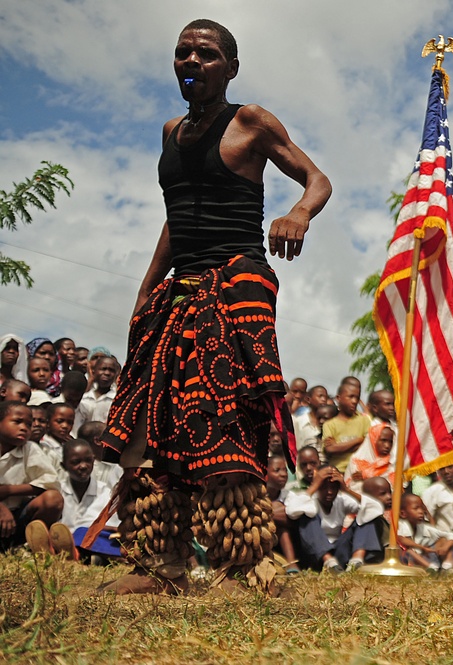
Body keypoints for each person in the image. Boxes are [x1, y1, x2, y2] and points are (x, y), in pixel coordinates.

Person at [94, 18, 331, 595]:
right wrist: (148, 287)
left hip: (237, 283)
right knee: (151, 418)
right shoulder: (172, 132)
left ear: (230, 66)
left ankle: (247, 564)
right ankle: (160, 564)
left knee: (221, 413)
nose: (191, 61)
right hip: (181, 287)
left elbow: (316, 179)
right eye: (182, 53)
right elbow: (177, 220)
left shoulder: (250, 121)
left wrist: (298, 214)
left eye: (205, 53)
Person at [0, 401, 62, 553]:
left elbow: (51, 482)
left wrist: (9, 491)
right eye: (17, 422)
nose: (24, 428)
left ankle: (26, 545)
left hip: (15, 517)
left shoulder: (29, 448)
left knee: (53, 498)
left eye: (28, 425)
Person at [57, 439, 120, 561]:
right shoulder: (58, 492)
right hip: (65, 538)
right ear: (63, 466)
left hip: (94, 537)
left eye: (88, 460)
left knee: (85, 534)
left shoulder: (105, 492)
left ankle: (81, 553)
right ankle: (89, 555)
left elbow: (114, 528)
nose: (83, 466)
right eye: (76, 462)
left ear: (93, 461)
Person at [397, 493, 453, 572]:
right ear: (403, 514)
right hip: (408, 559)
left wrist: (445, 547)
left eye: (422, 509)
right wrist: (422, 548)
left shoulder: (423, 527)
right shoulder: (401, 524)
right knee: (409, 551)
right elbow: (402, 539)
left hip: (425, 557)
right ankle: (431, 569)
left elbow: (451, 535)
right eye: (416, 508)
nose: (421, 512)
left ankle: (447, 566)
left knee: (444, 540)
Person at [321, 380, 371, 472]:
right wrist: (358, 440)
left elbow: (367, 446)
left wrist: (338, 446)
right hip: (337, 471)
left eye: (357, 398)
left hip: (359, 472)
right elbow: (330, 449)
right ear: (338, 398)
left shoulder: (364, 420)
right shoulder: (330, 424)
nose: (354, 401)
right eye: (351, 397)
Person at [345, 421, 395, 491]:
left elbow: (392, 491)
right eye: (383, 440)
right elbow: (350, 487)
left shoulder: (391, 465)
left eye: (390, 442)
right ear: (373, 439)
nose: (387, 446)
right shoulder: (356, 461)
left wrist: (368, 476)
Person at [75, 356, 119, 429]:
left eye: (111, 370)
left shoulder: (116, 400)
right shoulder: (84, 397)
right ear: (94, 371)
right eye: (103, 369)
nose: (107, 373)